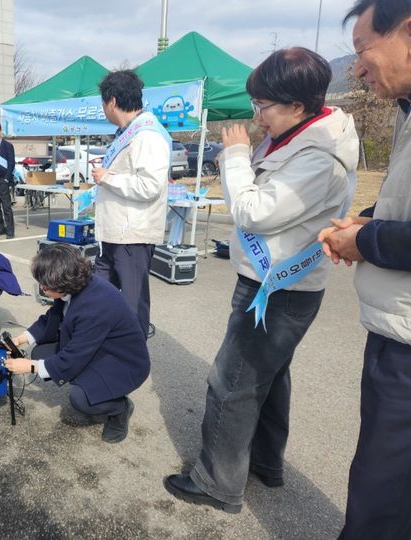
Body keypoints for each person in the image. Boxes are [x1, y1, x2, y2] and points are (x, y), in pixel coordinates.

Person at [163, 47, 359, 513]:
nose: (257, 117)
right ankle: (265, 463)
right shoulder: (295, 137)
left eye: (263, 107)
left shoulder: (319, 155)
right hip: (278, 283)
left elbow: (253, 211)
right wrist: (240, 159)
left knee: (231, 382)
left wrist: (233, 157)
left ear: (297, 105)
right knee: (268, 378)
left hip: (277, 289)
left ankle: (216, 482)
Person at [318, 2, 411, 537]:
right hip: (395, 321)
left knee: (383, 490)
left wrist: (366, 238)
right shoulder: (405, 110)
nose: (356, 69)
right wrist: (367, 221)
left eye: (361, 51)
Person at [4, 243, 149, 443]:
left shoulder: (95, 307)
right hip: (97, 347)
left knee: (80, 399)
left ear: (63, 283)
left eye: (46, 286)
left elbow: (73, 357)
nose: (42, 290)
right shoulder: (72, 284)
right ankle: (93, 388)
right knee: (40, 353)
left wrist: (29, 367)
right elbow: (52, 317)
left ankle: (119, 409)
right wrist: (21, 339)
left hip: (122, 362)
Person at [90, 70, 171, 338]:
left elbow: (149, 186)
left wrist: (108, 178)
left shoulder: (147, 135)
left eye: (103, 103)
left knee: (133, 302)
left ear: (111, 101)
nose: (103, 109)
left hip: (132, 236)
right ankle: (105, 347)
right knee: (97, 296)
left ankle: (133, 358)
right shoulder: (127, 133)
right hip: (113, 234)